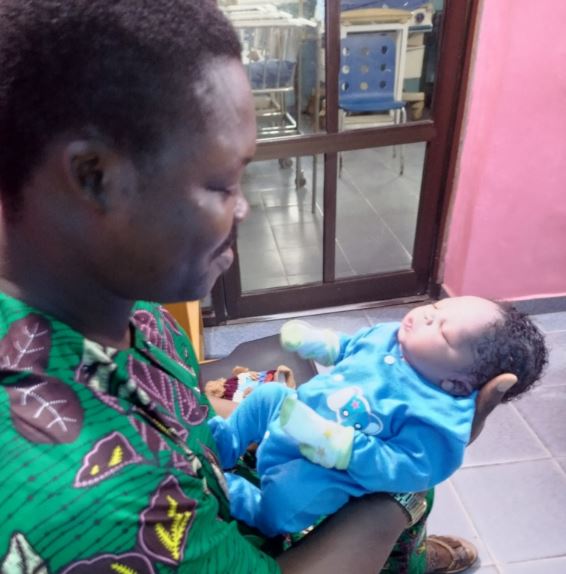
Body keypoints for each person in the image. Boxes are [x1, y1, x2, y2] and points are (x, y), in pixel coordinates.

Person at [0, 1, 516, 573]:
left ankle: (403, 552)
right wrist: (401, 494)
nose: (244, 209)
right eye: (223, 184)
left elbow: (183, 415)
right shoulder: (100, 507)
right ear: (94, 177)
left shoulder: (117, 299)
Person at [209, 297, 547, 536]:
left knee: (290, 500)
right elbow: (351, 347)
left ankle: (255, 507)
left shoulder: (438, 415)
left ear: (456, 383)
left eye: (442, 330)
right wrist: (320, 344)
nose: (426, 315)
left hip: (326, 469)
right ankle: (222, 445)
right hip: (293, 415)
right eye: (437, 307)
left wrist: (345, 449)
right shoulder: (391, 337)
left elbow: (413, 468)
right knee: (268, 395)